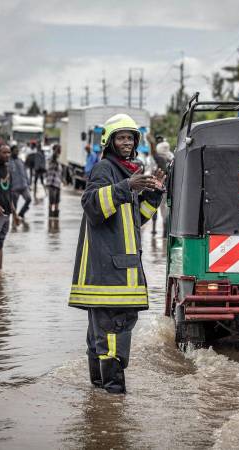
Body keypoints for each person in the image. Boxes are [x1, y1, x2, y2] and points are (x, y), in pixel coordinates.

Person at [68, 114, 165, 394]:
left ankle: (99, 398)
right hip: (109, 276)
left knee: (101, 338)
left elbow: (134, 221)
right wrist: (127, 187)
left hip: (120, 271)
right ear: (109, 142)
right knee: (112, 338)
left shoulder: (127, 172)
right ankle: (113, 398)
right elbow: (92, 206)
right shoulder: (104, 169)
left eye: (130, 138)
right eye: (121, 137)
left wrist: (154, 196)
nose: (127, 142)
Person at [153, 138, 174, 235]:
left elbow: (154, 155)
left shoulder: (159, 159)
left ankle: (164, 230)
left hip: (161, 187)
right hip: (171, 187)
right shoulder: (172, 158)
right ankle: (167, 230)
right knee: (167, 208)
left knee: (161, 209)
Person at [9, 144, 32, 220]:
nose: (17, 152)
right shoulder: (8, 162)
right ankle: (14, 220)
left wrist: (28, 183)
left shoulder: (20, 161)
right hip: (14, 188)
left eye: (18, 151)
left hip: (24, 186)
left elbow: (25, 172)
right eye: (15, 151)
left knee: (28, 199)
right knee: (14, 205)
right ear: (11, 151)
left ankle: (21, 214)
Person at [46, 145, 62, 218]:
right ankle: (50, 216)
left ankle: (55, 218)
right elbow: (54, 155)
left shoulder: (58, 160)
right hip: (52, 183)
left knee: (57, 202)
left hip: (57, 184)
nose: (60, 151)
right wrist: (56, 149)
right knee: (51, 201)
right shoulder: (52, 158)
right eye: (59, 149)